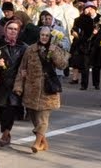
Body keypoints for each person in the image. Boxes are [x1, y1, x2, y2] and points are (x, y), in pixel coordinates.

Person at [16, 26, 69, 154]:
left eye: (46, 35)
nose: (44, 37)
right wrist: (18, 86)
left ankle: (36, 143)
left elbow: (63, 65)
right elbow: (22, 68)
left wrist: (54, 51)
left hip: (48, 89)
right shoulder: (30, 49)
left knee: (43, 119)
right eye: (42, 35)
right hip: (31, 90)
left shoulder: (55, 48)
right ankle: (43, 142)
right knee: (34, 118)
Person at [0, 18, 28, 147]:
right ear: (5, 30)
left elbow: (29, 64)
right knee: (2, 110)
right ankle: (6, 132)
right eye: (10, 28)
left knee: (11, 109)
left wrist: (26, 72)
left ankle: (5, 133)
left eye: (15, 29)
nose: (12, 31)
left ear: (19, 31)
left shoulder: (23, 47)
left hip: (16, 84)